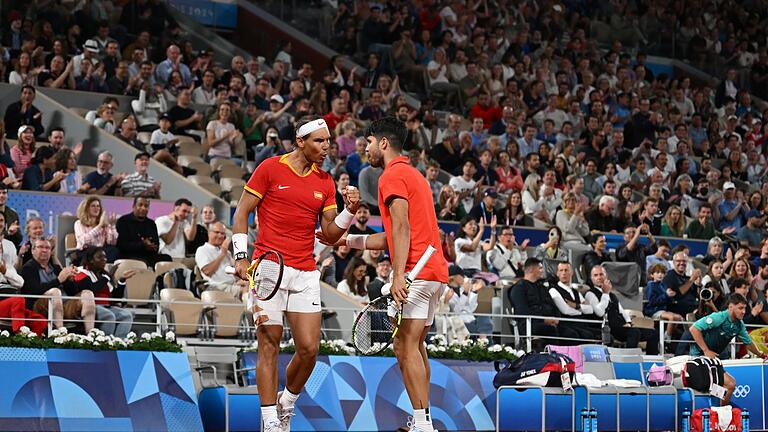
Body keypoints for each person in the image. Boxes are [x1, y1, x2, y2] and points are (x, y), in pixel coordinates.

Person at [231, 116, 361, 432]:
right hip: (268, 268)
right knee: (269, 343)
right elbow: (242, 212)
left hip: (304, 272)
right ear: (300, 142)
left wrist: (349, 210)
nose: (326, 147)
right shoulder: (270, 169)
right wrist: (240, 255)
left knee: (309, 349)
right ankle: (269, 421)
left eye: (329, 141)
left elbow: (329, 234)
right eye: (319, 141)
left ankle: (286, 403)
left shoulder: (325, 182)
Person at [338, 117, 448, 432]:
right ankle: (422, 419)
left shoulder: (391, 175)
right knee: (415, 345)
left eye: (369, 142)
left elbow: (400, 227)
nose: (365, 148)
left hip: (416, 270)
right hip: (433, 271)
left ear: (383, 143)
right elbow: (388, 236)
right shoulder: (413, 175)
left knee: (404, 345)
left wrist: (398, 275)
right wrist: (345, 239)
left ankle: (423, 424)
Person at [689, 294, 768, 405]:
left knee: (729, 385)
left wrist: (761, 355)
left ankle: (720, 413)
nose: (744, 311)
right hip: (698, 357)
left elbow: (748, 343)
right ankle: (717, 412)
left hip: (712, 360)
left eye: (745, 308)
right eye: (740, 308)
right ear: (731, 307)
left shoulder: (739, 325)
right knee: (724, 385)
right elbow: (694, 328)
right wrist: (706, 350)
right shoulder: (719, 317)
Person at [20, 238, 95, 332]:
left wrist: (70, 280)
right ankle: (60, 332)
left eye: (47, 248)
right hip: (38, 306)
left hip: (63, 305)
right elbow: (33, 290)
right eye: (40, 247)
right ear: (33, 251)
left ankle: (91, 334)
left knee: (87, 294)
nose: (44, 250)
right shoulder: (27, 268)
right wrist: (58, 280)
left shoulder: (55, 268)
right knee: (55, 292)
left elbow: (73, 292)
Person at [586, 265, 659, 354]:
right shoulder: (590, 294)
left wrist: (628, 322)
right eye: (595, 275)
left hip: (621, 327)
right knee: (634, 332)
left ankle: (651, 360)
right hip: (607, 328)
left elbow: (621, 311)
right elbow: (600, 312)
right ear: (591, 278)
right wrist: (605, 294)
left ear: (606, 276)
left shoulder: (612, 295)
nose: (599, 277)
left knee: (653, 333)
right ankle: (629, 358)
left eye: (601, 274)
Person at [73, 247, 134, 337]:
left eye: (105, 257)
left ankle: (118, 343)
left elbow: (115, 297)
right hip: (90, 306)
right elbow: (91, 289)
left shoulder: (103, 275)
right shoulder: (81, 271)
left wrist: (122, 280)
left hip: (106, 306)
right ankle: (104, 343)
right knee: (109, 316)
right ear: (91, 260)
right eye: (100, 257)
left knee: (127, 315)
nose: (104, 260)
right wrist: (107, 276)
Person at [116, 197, 171, 267]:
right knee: (142, 262)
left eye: (146, 206)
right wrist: (142, 244)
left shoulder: (151, 223)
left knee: (166, 258)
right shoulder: (123, 221)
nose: (143, 208)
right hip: (129, 255)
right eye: (140, 205)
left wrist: (151, 247)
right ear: (134, 206)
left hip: (147, 254)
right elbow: (122, 245)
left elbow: (156, 245)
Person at [195, 222, 246, 298]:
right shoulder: (202, 250)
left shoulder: (227, 252)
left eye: (222, 234)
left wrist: (241, 280)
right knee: (247, 291)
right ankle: (248, 309)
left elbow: (235, 270)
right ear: (209, 233)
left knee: (253, 285)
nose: (220, 236)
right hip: (216, 287)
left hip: (232, 284)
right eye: (217, 232)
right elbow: (207, 271)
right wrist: (222, 254)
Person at [74, 196, 119, 263]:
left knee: (114, 250)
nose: (96, 208)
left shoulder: (103, 223)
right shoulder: (79, 223)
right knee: (98, 256)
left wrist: (112, 226)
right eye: (93, 206)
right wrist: (99, 226)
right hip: (86, 252)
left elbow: (112, 242)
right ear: (86, 208)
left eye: (98, 206)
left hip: (101, 251)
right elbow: (84, 241)